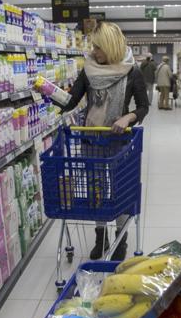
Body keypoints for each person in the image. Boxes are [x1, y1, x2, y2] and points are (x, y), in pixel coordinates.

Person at [58, 21, 149, 261]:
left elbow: (143, 107)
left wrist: (128, 118)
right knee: (95, 191)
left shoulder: (132, 71)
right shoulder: (88, 70)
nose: (93, 53)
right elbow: (72, 100)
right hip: (92, 140)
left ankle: (121, 239)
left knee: (120, 189)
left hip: (120, 142)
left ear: (110, 47)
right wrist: (49, 94)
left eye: (98, 48)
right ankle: (101, 237)